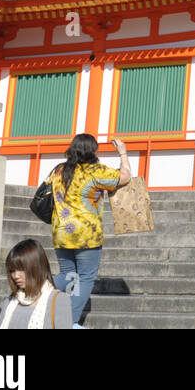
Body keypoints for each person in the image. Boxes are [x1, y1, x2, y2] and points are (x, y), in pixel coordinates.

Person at [48, 133, 130, 327]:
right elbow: (125, 177)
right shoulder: (95, 171)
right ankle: (71, 322)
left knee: (67, 275)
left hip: (61, 230)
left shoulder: (59, 170)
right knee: (84, 277)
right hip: (87, 233)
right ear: (92, 151)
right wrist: (123, 153)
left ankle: (35, 293)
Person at [0, 239, 72, 329]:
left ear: (37, 267)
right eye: (12, 270)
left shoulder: (59, 300)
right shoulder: (10, 301)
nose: (16, 276)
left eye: (21, 268)